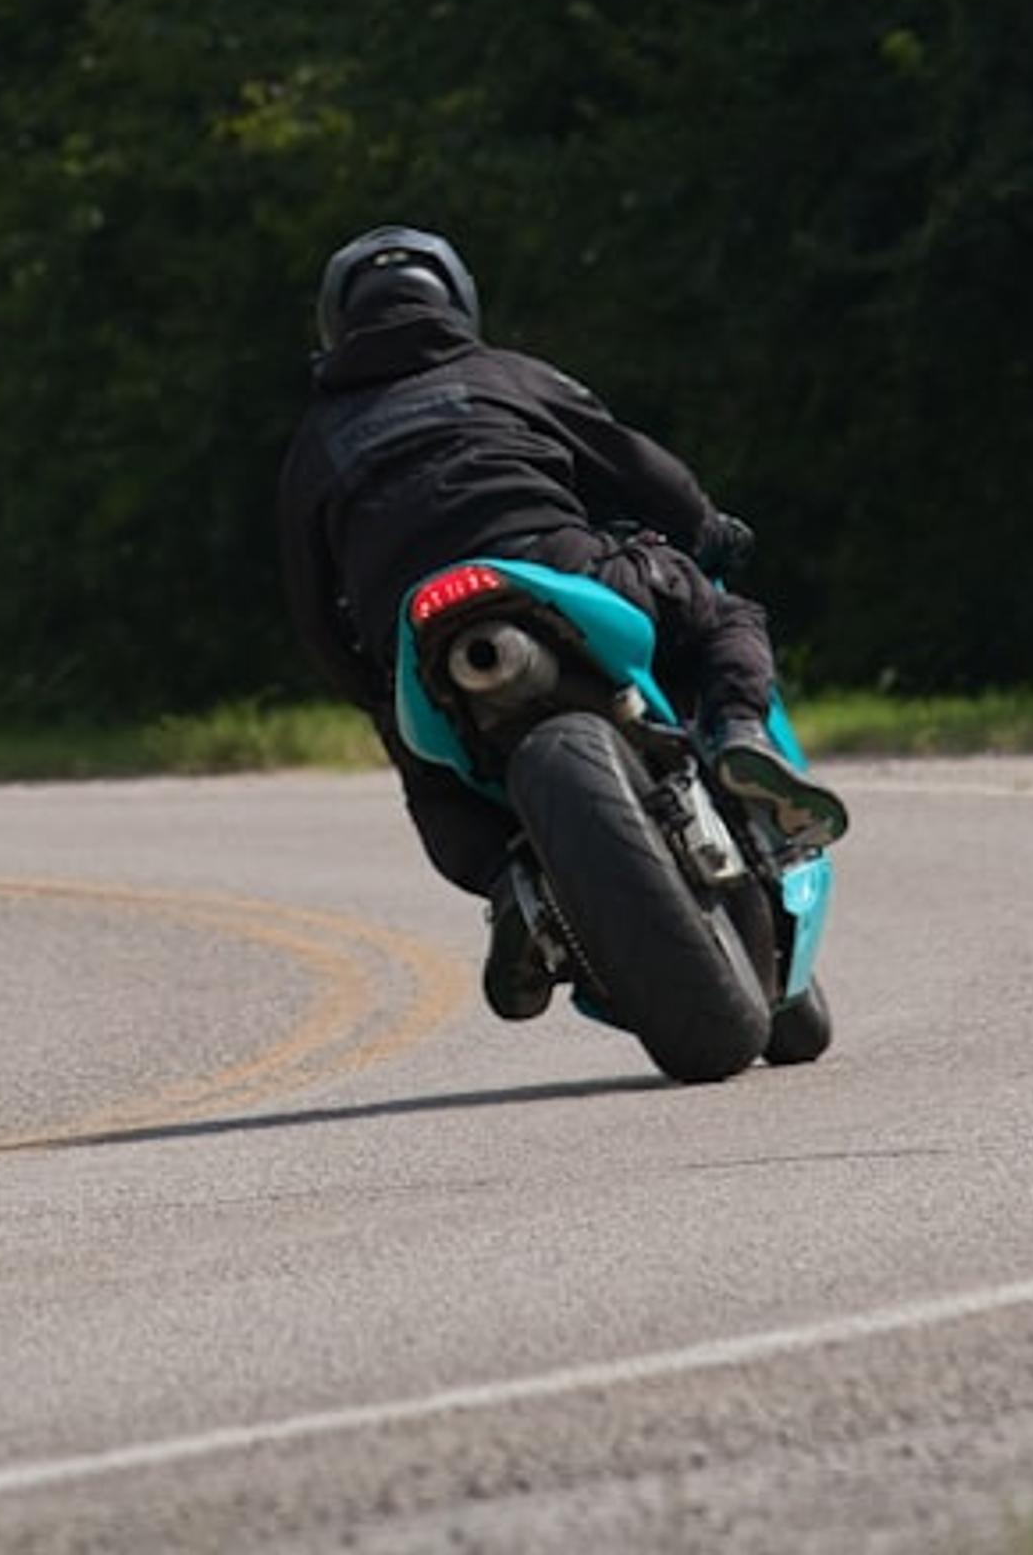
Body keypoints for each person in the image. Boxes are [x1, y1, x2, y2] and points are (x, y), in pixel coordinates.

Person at [276, 224, 849, 1020]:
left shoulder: (316, 442)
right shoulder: (508, 375)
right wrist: (707, 527)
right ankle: (739, 737)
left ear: (336, 325)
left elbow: (311, 608)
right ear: (458, 302)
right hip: (554, 565)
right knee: (722, 615)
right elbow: (639, 467)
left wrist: (370, 690)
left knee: (427, 771)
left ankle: (512, 885)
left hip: (416, 631)